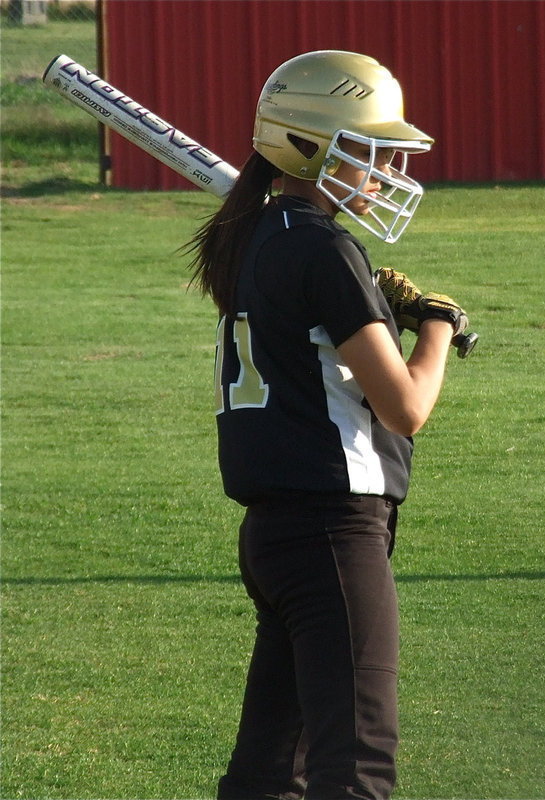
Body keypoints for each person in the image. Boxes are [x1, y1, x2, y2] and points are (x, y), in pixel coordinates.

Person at [186, 50, 469, 800]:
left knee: (268, 775)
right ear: (309, 144)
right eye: (364, 148)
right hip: (332, 534)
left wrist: (371, 303)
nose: (378, 168)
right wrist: (436, 325)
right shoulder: (320, 246)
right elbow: (404, 406)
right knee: (355, 770)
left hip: (276, 537)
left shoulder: (254, 236)